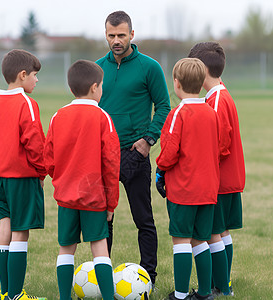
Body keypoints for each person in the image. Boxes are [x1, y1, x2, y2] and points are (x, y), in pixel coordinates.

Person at [96, 10, 171, 285]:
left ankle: (148, 276)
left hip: (134, 154)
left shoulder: (149, 67)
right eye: (111, 35)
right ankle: (101, 276)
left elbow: (163, 106)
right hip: (104, 156)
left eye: (121, 35)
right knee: (103, 219)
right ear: (105, 34)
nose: (116, 40)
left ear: (132, 34)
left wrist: (149, 139)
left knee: (144, 220)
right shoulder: (97, 68)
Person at [44, 60, 120, 300]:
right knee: (100, 248)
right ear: (95, 87)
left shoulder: (58, 116)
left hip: (66, 197)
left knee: (66, 249)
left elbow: (49, 158)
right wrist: (111, 203)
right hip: (94, 197)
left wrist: (62, 179)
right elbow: (111, 163)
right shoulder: (102, 117)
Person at [0, 49, 47, 300]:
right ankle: (16, 294)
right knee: (21, 231)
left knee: (5, 227)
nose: (37, 79)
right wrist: (42, 172)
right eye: (35, 75)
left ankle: (7, 294)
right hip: (22, 178)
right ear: (22, 75)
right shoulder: (27, 104)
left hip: (0, 179)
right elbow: (34, 142)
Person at [156, 58, 220, 300]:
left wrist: (160, 171)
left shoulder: (178, 113)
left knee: (181, 240)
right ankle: (205, 293)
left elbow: (170, 151)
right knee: (200, 240)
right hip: (208, 190)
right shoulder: (212, 112)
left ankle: (181, 295)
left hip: (184, 189)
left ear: (177, 83)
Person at [188, 42, 246, 297]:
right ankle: (221, 284)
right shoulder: (218, 94)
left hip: (220, 181)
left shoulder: (218, 99)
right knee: (220, 232)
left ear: (201, 70)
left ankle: (221, 288)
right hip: (225, 179)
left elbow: (220, 144)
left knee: (213, 233)